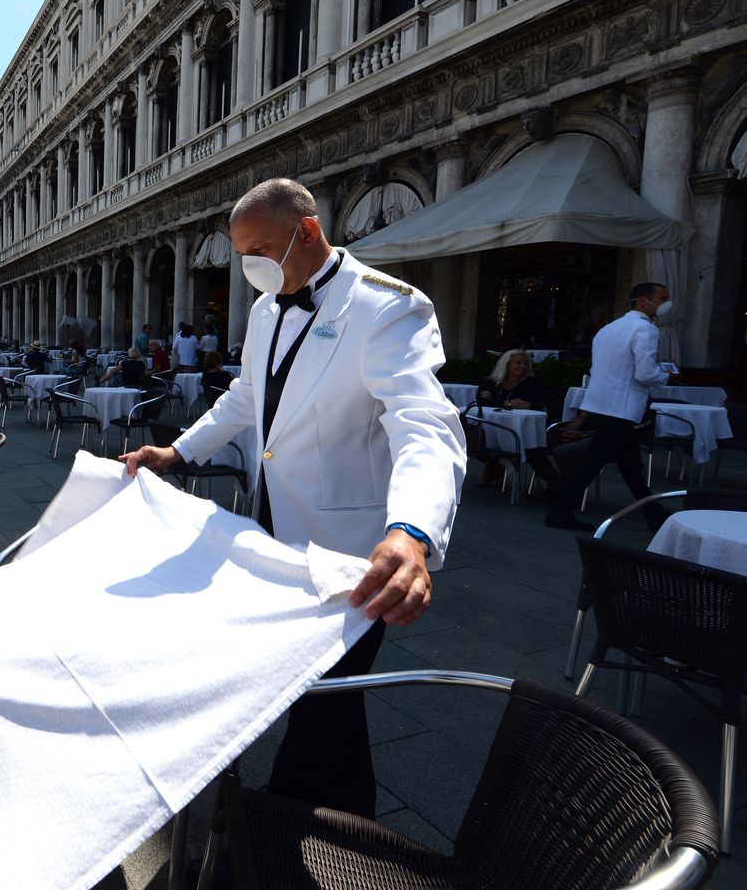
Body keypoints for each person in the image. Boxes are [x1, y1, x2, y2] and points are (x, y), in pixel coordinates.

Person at [120, 178, 464, 818]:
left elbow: (424, 424)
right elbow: (245, 399)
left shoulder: (387, 307)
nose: (249, 265)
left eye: (260, 248)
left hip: (357, 552)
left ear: (307, 231)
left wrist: (412, 531)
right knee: (327, 696)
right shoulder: (264, 309)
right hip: (274, 534)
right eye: (240, 252)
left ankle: (270, 833)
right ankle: (348, 823)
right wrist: (179, 453)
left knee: (321, 697)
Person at [546, 283, 675, 532]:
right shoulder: (645, 330)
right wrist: (666, 376)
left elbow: (598, 370)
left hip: (603, 403)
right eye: (662, 297)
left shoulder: (608, 329)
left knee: (629, 464)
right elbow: (646, 373)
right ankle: (560, 510)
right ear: (642, 301)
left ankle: (653, 512)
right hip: (623, 406)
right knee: (596, 462)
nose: (667, 303)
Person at [474, 349, 564, 496]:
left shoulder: (530, 382)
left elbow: (527, 404)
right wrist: (507, 403)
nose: (522, 366)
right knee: (476, 443)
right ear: (507, 364)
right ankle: (498, 466)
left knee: (530, 447)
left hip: (525, 428)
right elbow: (482, 401)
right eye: (518, 363)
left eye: (525, 363)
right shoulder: (493, 381)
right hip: (496, 427)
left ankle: (557, 485)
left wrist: (494, 400)